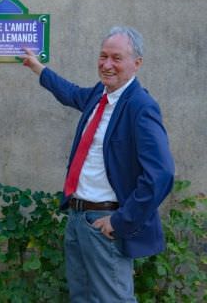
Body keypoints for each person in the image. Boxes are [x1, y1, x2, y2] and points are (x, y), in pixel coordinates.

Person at [20, 26, 174, 302]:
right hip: (78, 219)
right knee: (82, 297)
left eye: (116, 58)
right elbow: (70, 92)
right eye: (103, 56)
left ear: (136, 63)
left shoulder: (141, 106)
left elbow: (160, 175)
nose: (106, 64)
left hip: (105, 223)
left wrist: (121, 221)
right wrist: (38, 68)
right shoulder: (99, 96)